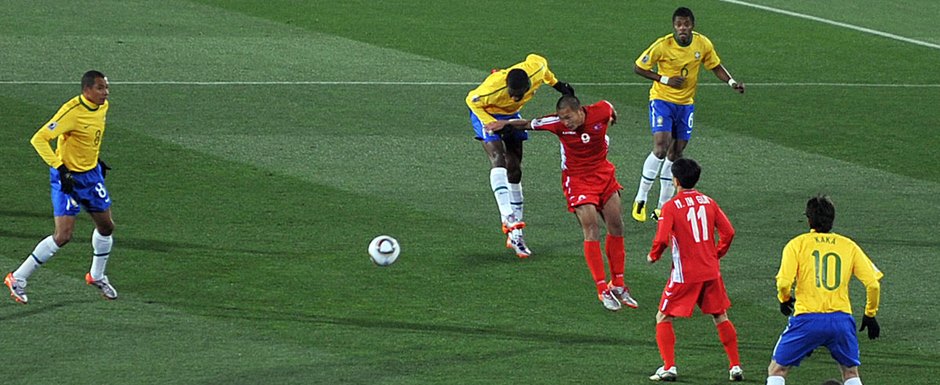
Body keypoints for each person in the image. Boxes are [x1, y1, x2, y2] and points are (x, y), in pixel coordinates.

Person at [486, 95, 637, 311]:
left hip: (603, 174)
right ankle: (602, 288)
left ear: (579, 111)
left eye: (568, 117)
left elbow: (611, 109)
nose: (565, 122)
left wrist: (612, 117)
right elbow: (529, 123)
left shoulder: (601, 111)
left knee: (616, 225)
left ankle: (619, 284)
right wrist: (505, 123)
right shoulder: (556, 124)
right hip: (577, 180)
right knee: (591, 227)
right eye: (562, 118)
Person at [4, 70, 118, 304]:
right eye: (100, 88)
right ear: (86, 90)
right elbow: (39, 139)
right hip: (67, 179)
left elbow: (89, 138)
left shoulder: (102, 107)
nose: (105, 92)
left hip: (91, 175)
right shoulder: (72, 112)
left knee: (106, 227)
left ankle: (96, 275)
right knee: (63, 235)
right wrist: (61, 167)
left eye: (106, 87)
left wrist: (94, 160)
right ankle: (17, 278)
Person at [630, 7, 745, 223]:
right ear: (674, 26)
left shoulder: (702, 44)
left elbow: (715, 65)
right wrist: (664, 79)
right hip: (662, 100)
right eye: (679, 24)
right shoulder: (663, 45)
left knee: (675, 153)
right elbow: (638, 67)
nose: (682, 28)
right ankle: (641, 198)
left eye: (686, 24)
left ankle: (662, 207)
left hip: (685, 105)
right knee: (661, 147)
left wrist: (731, 82)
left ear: (692, 25)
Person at [466, 54, 575, 258]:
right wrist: (492, 124)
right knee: (498, 156)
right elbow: (471, 101)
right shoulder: (492, 89)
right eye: (513, 94)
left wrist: (557, 85)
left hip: (510, 116)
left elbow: (541, 63)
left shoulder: (536, 70)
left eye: (520, 95)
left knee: (514, 169)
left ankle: (517, 235)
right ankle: (507, 214)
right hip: (487, 112)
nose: (516, 98)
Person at [766, 195, 884, 385]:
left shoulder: (797, 244)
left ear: (808, 219)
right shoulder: (849, 246)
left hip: (807, 319)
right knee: (851, 373)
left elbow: (783, 282)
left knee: (777, 369)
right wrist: (870, 314)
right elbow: (873, 284)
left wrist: (785, 298)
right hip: (841, 320)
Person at [646, 158, 742, 382]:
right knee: (720, 315)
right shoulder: (709, 202)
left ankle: (669, 367)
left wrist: (654, 255)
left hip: (684, 275)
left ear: (676, 180)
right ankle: (735, 366)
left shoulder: (670, 206)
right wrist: (716, 253)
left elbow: (661, 238)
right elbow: (729, 232)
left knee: (663, 316)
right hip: (710, 271)